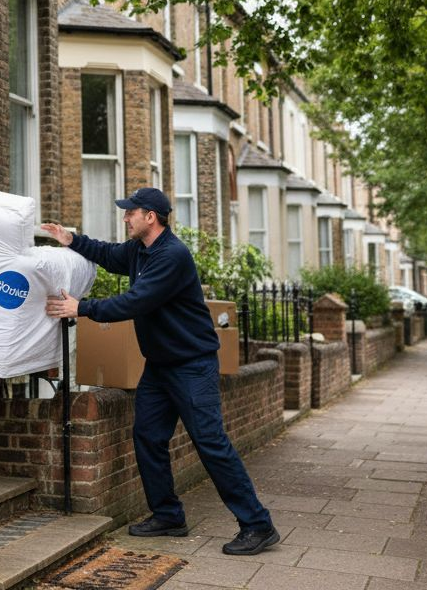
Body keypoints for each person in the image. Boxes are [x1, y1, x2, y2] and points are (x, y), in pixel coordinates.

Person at [42, 187, 279, 555]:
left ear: (149, 216)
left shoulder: (172, 256)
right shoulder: (139, 250)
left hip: (192, 365)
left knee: (211, 444)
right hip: (160, 366)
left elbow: (137, 301)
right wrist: (70, 238)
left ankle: (257, 524)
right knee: (148, 436)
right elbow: (107, 254)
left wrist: (82, 307)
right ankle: (168, 515)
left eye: (129, 213)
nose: (125, 218)